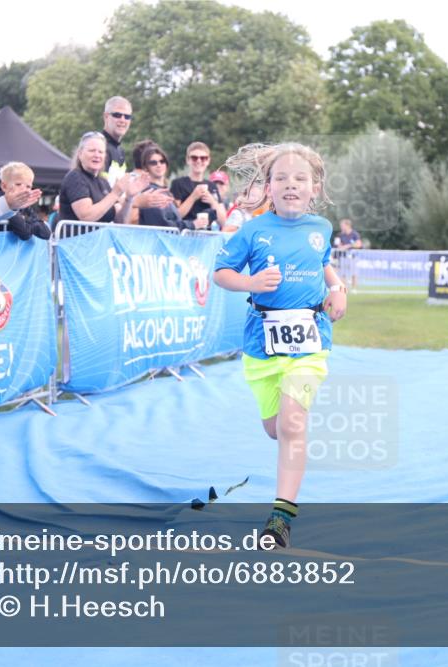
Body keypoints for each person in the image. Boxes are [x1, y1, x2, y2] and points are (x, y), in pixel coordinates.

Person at [213, 142, 347, 549]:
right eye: (282, 178)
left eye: (300, 178)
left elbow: (325, 264)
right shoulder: (252, 230)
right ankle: (284, 430)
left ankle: (281, 517)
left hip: (310, 342)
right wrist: (251, 283)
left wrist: (338, 288)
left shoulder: (320, 229)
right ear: (268, 187)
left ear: (315, 188)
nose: (291, 184)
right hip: (262, 346)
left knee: (292, 424)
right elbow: (221, 273)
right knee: (276, 429)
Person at [57, 131, 145, 224]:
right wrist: (115, 193)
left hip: (101, 238)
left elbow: (121, 221)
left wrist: (129, 198)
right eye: (92, 151)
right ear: (80, 154)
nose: (97, 155)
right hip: (77, 238)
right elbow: (86, 216)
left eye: (101, 152)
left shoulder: (103, 182)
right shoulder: (75, 177)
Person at [170, 142, 227, 229]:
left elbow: (223, 222)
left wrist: (212, 201)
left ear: (208, 161)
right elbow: (175, 216)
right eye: (194, 158)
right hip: (184, 235)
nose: (199, 161)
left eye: (203, 158)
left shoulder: (212, 186)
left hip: (206, 237)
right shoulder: (178, 184)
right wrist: (193, 196)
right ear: (187, 160)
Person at [132, 146, 183, 228]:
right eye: (153, 163)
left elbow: (175, 220)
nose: (159, 165)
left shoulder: (165, 191)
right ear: (145, 167)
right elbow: (164, 225)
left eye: (162, 161)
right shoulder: (149, 191)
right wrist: (193, 224)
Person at [0, 162, 51, 240]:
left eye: (28, 186)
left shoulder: (25, 206)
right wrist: (30, 223)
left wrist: (26, 220)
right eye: (18, 184)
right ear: (4, 186)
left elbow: (46, 233)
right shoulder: (1, 203)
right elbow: (25, 234)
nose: (24, 189)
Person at [101, 96, 133, 187]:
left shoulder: (120, 150)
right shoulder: (99, 146)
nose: (122, 120)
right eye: (117, 115)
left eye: (127, 117)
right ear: (106, 116)